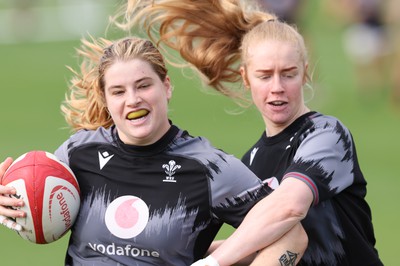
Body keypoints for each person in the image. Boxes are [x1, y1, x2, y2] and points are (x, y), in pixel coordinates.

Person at [117, 0, 384, 265]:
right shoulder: (252, 161)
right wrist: (168, 251)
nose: (277, 87)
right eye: (265, 76)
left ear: (305, 74)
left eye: (288, 74)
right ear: (246, 78)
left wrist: (211, 263)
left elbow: (290, 207)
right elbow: (258, 246)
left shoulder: (327, 135)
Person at [0, 37, 307, 265]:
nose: (132, 99)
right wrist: (12, 203)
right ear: (106, 99)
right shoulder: (79, 153)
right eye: (118, 91)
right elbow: (41, 211)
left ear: (167, 86)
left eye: (143, 85)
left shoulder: (208, 168)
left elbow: (292, 236)